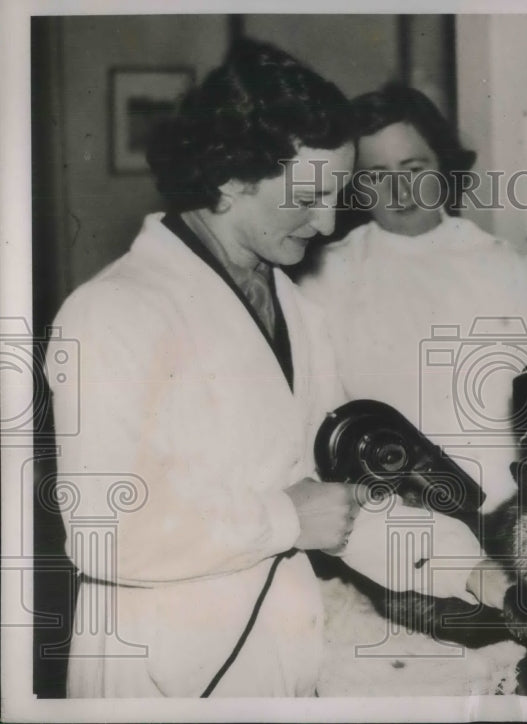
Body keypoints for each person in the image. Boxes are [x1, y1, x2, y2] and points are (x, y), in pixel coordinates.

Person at [46, 39, 361, 697]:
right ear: (230, 176)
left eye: (337, 194)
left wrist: (473, 574)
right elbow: (102, 531)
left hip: (281, 662)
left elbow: (334, 499)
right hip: (162, 680)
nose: (328, 222)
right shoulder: (113, 311)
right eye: (308, 196)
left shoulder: (301, 314)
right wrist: (282, 520)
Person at [296, 84, 527, 695]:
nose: (401, 191)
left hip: (509, 532)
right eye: (377, 175)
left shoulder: (505, 266)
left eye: (415, 168)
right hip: (392, 551)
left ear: (445, 166)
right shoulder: (324, 279)